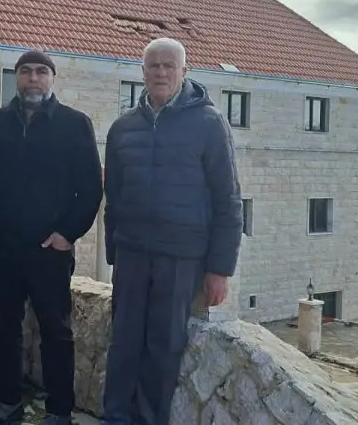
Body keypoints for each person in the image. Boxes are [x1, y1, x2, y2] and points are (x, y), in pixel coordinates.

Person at [99, 37, 244, 425]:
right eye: (154, 66)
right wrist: (115, 253)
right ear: (143, 72)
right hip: (131, 254)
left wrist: (220, 269)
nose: (161, 72)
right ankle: (115, 417)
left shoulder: (209, 124)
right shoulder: (123, 128)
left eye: (169, 65)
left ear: (184, 71)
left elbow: (228, 199)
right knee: (123, 341)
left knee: (163, 348)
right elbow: (114, 197)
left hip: (181, 256)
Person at [0, 50, 104, 425]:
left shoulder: (75, 124)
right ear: (16, 77)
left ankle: (59, 410)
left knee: (56, 331)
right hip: (0, 250)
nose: (33, 78)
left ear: (52, 78)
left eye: (41, 71)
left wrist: (67, 235)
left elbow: (90, 189)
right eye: (26, 71)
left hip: (50, 251)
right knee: (3, 328)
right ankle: (6, 404)